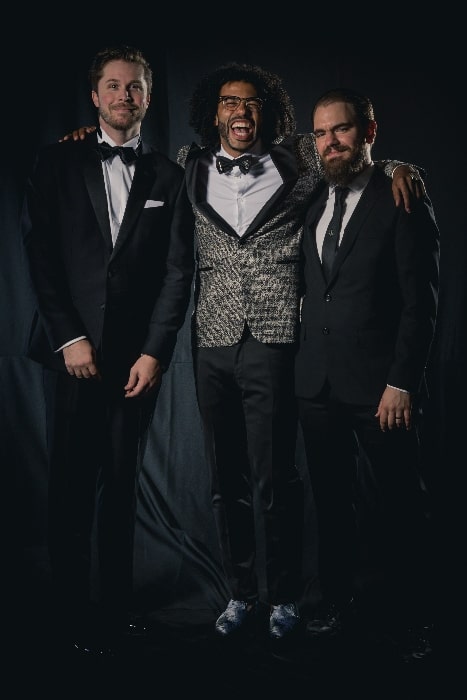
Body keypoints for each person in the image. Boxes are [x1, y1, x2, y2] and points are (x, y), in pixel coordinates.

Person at [61, 62, 424, 642]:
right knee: (224, 477)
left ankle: (282, 596)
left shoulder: (298, 159)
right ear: (214, 112)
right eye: (229, 102)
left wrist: (406, 168)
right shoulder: (188, 164)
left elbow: (355, 149)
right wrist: (81, 136)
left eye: (251, 103)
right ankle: (240, 592)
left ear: (268, 112)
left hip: (278, 340)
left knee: (274, 477)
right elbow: (178, 267)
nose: (240, 111)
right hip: (213, 342)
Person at [21, 45, 194, 655]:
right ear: (94, 96)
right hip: (73, 356)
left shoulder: (171, 179)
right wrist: (70, 338)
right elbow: (41, 259)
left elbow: (178, 274)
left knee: (121, 489)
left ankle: (117, 610)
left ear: (148, 97)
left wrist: (154, 353)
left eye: (136, 87)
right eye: (114, 86)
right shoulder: (55, 162)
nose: (125, 95)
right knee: (69, 488)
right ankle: (72, 616)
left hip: (132, 364)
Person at [294, 88, 440, 660]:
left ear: (369, 133)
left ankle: (414, 618)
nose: (331, 142)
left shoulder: (401, 196)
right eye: (321, 133)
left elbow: (421, 302)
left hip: (382, 390)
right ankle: (335, 601)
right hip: (317, 386)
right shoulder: (310, 198)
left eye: (343, 130)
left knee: (402, 506)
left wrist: (402, 381)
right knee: (330, 506)